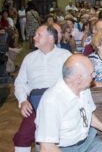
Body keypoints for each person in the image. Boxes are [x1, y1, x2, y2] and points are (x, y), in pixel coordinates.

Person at [35, 54, 102, 152]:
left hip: (87, 142)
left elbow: (87, 115)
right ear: (78, 79)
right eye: (91, 74)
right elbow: (47, 147)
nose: (94, 76)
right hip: (61, 148)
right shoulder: (51, 101)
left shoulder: (83, 88)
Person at [13, 24, 71, 152]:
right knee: (22, 137)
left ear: (50, 38)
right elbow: (20, 83)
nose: (34, 37)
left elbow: (72, 81)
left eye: (38, 35)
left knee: (58, 136)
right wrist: (23, 101)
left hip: (58, 101)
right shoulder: (29, 58)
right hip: (35, 102)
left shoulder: (65, 55)